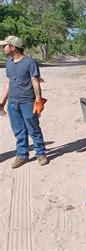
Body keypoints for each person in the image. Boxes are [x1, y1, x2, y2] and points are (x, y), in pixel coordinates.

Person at [0, 35, 49, 168]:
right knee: (18, 130)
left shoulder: (30, 62)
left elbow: (35, 81)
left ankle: (40, 153)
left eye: (5, 45)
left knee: (33, 128)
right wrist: (2, 101)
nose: (2, 48)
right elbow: (8, 82)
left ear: (13, 47)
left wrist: (38, 101)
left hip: (27, 102)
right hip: (13, 102)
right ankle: (22, 155)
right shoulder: (9, 63)